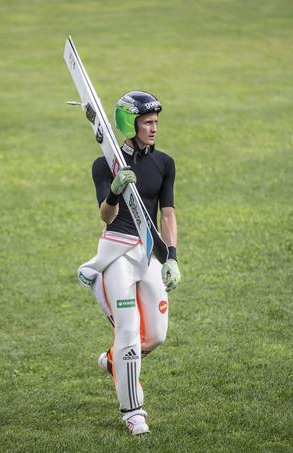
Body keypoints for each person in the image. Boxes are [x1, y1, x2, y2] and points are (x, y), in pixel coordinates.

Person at [77, 91, 181, 435]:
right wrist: (115, 190)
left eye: (155, 122)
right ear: (129, 124)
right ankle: (133, 412)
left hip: (148, 253)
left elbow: (167, 213)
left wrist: (171, 256)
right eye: (147, 123)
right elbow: (105, 216)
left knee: (155, 336)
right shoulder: (104, 164)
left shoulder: (164, 163)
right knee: (128, 333)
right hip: (117, 254)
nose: (154, 128)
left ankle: (113, 361)